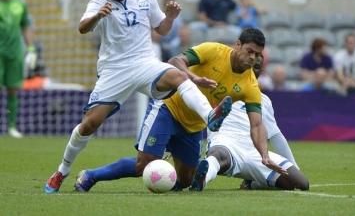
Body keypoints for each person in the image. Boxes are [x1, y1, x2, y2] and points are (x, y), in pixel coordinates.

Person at [44, 0, 233, 193]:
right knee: (89, 125)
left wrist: (170, 18)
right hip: (115, 71)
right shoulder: (98, 3)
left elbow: (161, 30)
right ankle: (62, 171)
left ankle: (210, 116)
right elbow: (82, 28)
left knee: (178, 77)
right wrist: (98, 16)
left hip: (145, 63)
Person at [72, 28, 287, 193]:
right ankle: (91, 175)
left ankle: (163, 180)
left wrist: (265, 155)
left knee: (185, 181)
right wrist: (192, 77)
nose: (253, 58)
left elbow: (257, 124)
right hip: (168, 108)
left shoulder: (250, 85)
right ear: (238, 45)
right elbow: (175, 61)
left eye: (257, 55)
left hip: (193, 126)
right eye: (250, 51)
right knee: (143, 165)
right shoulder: (214, 51)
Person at [190, 55, 308, 192]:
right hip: (226, 143)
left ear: (261, 71)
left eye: (257, 66)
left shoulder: (264, 100)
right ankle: (202, 179)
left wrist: (294, 167)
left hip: (255, 152)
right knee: (217, 156)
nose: (252, 68)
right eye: (250, 64)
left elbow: (275, 135)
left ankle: (252, 183)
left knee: (301, 183)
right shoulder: (219, 86)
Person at [0, 0, 37, 139]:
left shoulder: (20, 5)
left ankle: (12, 126)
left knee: (12, 90)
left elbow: (25, 28)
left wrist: (30, 49)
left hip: (15, 53)